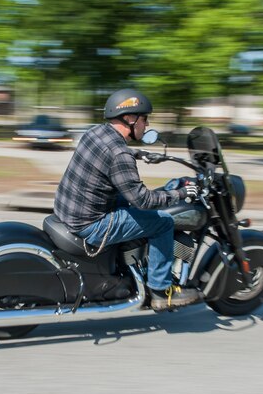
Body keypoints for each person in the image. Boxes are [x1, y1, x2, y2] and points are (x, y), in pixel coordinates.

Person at [53, 88, 200, 311]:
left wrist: (138, 154)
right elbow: (143, 200)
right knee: (163, 222)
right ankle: (161, 290)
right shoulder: (119, 154)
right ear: (130, 119)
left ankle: (133, 265)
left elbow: (109, 155)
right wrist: (180, 194)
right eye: (144, 119)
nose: (146, 125)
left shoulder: (95, 132)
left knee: (131, 201)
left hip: (71, 209)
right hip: (91, 224)